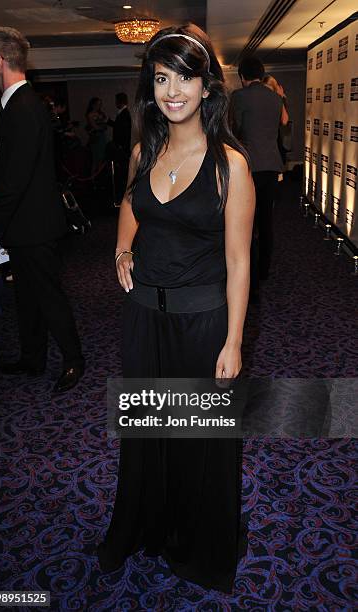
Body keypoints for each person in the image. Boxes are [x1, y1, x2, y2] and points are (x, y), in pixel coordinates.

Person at [97, 24, 255, 593]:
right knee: (147, 435)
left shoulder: (229, 166)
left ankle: (200, 544)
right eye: (162, 78)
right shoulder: (145, 149)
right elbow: (131, 202)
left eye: (185, 77)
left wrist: (233, 341)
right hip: (144, 318)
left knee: (199, 444)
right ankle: (145, 525)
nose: (172, 90)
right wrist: (121, 246)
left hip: (201, 321)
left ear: (208, 88)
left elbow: (240, 263)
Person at [0, 26, 84, 393]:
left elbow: (15, 176)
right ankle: (33, 357)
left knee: (47, 296)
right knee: (26, 296)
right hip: (26, 224)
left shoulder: (23, 106)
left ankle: (74, 360)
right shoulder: (19, 104)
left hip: (34, 224)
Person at [230, 57, 288, 293]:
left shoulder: (239, 97)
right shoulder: (276, 98)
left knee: (245, 222)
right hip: (272, 166)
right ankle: (263, 269)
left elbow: (235, 130)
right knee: (266, 221)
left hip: (248, 167)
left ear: (242, 77)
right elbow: (278, 129)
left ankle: (248, 272)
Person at [106, 92, 132, 204]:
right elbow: (118, 127)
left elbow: (123, 132)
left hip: (121, 149)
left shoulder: (125, 114)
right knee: (120, 174)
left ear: (119, 102)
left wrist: (120, 147)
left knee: (121, 174)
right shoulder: (123, 113)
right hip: (121, 148)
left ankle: (121, 198)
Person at [85, 96, 109, 175]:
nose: (99, 106)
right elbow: (95, 127)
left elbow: (105, 125)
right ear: (93, 104)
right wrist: (102, 125)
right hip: (96, 138)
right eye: (98, 104)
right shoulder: (90, 114)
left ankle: (100, 177)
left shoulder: (101, 113)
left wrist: (102, 125)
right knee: (96, 158)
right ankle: (93, 178)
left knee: (102, 158)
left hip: (101, 136)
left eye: (100, 104)